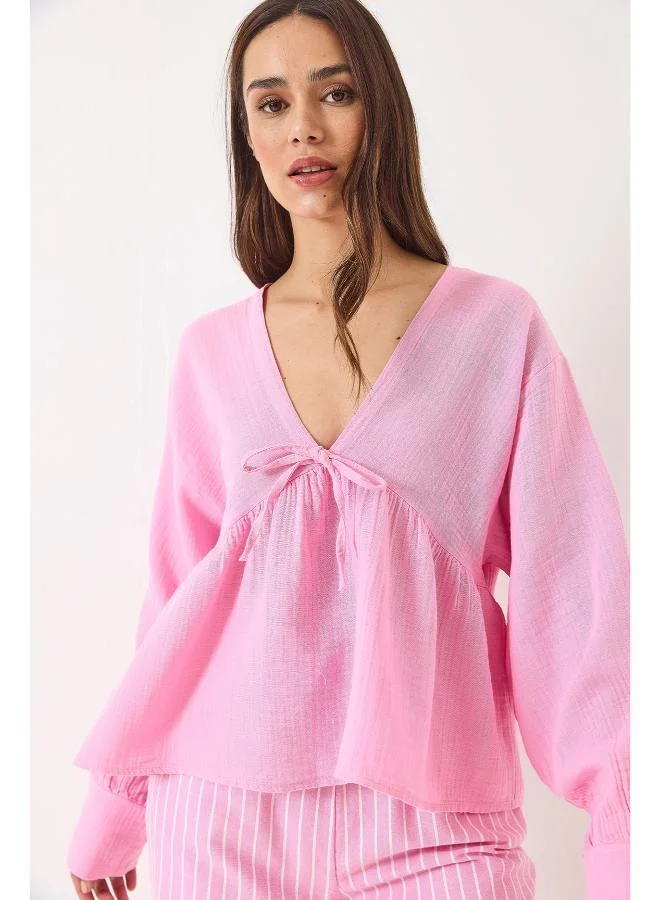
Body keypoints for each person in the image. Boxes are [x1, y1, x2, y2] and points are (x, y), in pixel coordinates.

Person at [66, 2, 630, 898]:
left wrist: (623, 835)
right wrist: (116, 805)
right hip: (219, 818)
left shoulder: (495, 329)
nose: (304, 127)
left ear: (382, 110)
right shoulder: (212, 354)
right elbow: (178, 597)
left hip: (436, 828)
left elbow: (575, 599)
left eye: (335, 93)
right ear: (248, 136)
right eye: (272, 103)